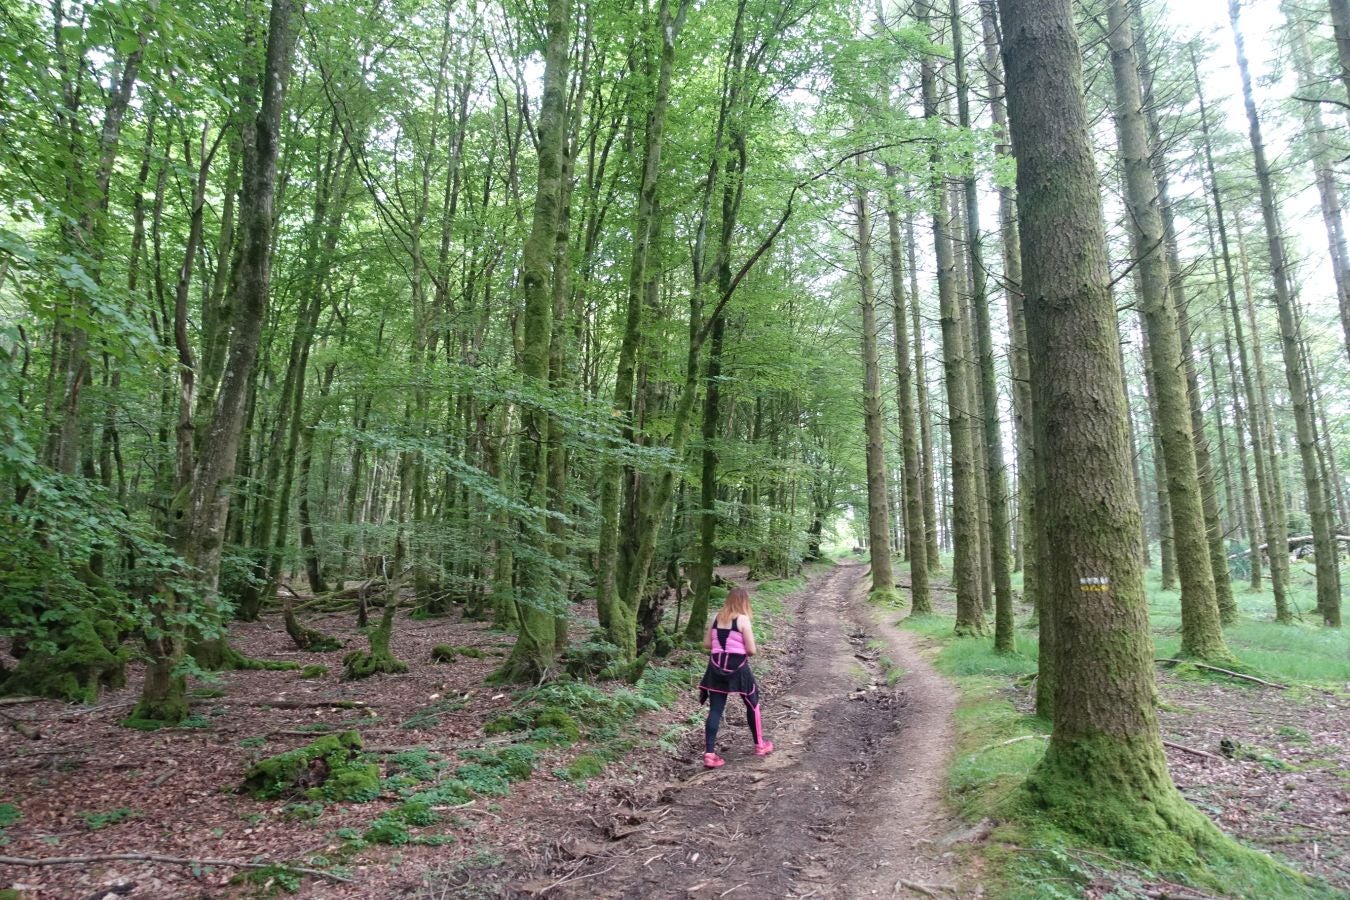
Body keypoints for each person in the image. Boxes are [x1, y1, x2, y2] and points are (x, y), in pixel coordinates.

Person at [698, 586, 773, 768]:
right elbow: (751, 650)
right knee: (752, 703)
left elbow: (707, 644)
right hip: (738, 667)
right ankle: (760, 745)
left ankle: (709, 754)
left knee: (715, 709)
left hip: (715, 667)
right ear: (744, 602)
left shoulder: (716, 617)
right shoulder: (743, 620)